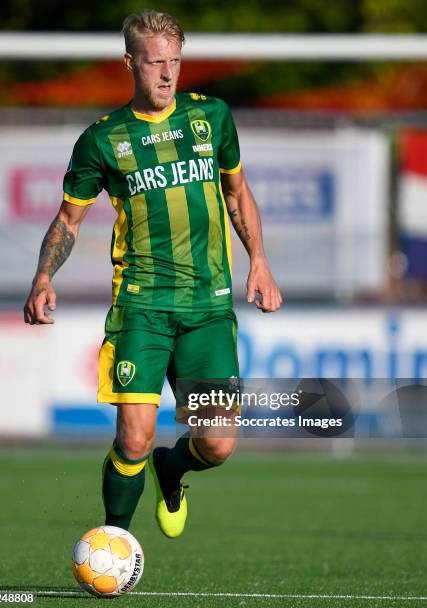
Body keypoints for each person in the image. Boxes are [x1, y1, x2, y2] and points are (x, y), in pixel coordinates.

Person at [23, 9, 282, 539]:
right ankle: (114, 540)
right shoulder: (102, 139)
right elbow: (69, 219)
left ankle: (174, 468)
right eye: (155, 63)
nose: (167, 74)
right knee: (134, 440)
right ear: (129, 63)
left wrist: (258, 260)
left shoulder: (211, 117)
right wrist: (44, 276)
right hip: (142, 307)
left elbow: (236, 194)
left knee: (217, 445)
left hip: (208, 308)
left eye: (175, 62)